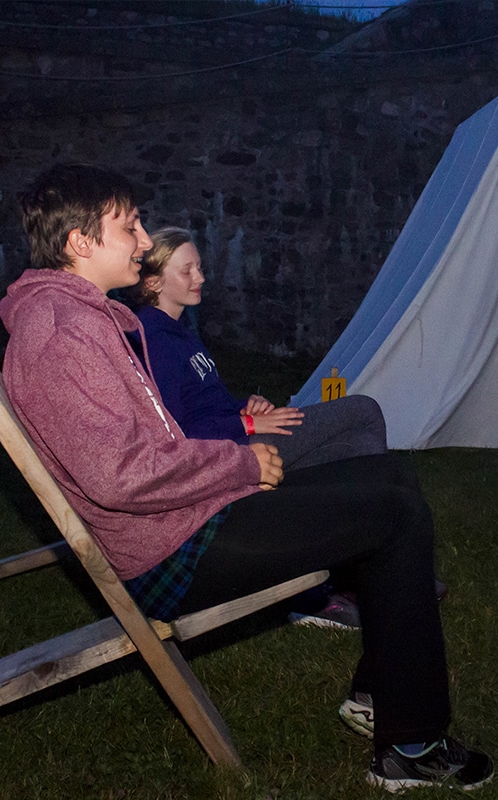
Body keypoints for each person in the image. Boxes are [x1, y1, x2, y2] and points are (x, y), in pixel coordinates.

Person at [0, 163, 491, 792]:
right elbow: (121, 475)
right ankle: (412, 745)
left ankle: (381, 697)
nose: (144, 241)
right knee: (394, 515)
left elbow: (148, 447)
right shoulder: (62, 335)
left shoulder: (81, 319)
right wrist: (241, 462)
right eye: (130, 227)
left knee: (390, 476)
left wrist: (232, 463)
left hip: (192, 515)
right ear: (79, 242)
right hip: (175, 551)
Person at [121, 225, 388, 630]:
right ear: (154, 282)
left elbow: (206, 404)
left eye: (199, 267)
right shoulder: (152, 338)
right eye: (187, 270)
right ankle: (362, 571)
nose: (200, 277)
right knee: (363, 412)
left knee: (353, 446)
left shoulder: (181, 332)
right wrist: (245, 422)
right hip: (229, 454)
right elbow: (176, 431)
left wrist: (245, 405)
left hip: (241, 433)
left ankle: (346, 575)